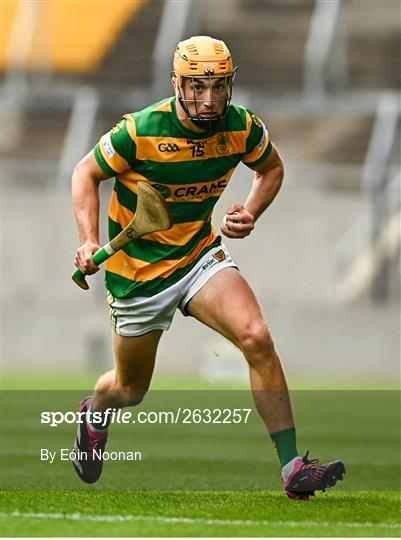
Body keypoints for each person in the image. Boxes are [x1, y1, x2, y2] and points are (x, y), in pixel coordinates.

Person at [71, 35, 345, 499]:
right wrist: (88, 240)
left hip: (199, 255)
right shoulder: (139, 130)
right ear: (176, 84)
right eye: (197, 86)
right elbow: (85, 173)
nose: (209, 98)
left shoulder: (242, 127)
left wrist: (252, 210)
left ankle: (293, 467)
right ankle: (96, 411)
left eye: (219, 87)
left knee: (256, 336)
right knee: (130, 389)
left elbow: (271, 169)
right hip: (136, 272)